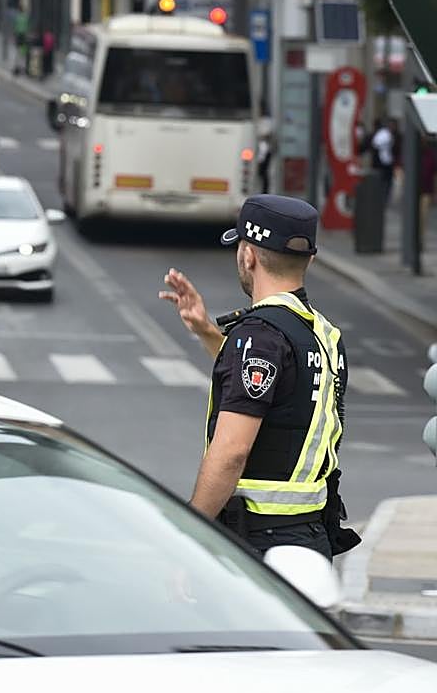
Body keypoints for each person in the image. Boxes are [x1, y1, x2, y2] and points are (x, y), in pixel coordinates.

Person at [159, 195, 359, 560]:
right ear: (309, 258)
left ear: (248, 255)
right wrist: (207, 332)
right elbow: (273, 389)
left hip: (258, 546)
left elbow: (232, 452)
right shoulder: (324, 335)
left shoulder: (258, 337)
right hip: (311, 540)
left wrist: (191, 531)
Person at [371, 118, 395, 201]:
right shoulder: (385, 134)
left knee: (385, 182)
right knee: (384, 182)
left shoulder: (385, 134)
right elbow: (376, 144)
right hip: (384, 162)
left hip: (385, 161)